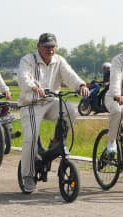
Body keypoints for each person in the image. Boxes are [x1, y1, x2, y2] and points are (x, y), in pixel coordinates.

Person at [16, 33, 89, 193]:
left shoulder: (59, 60)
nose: (50, 50)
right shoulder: (28, 60)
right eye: (47, 46)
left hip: (51, 101)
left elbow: (70, 75)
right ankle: (28, 175)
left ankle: (57, 142)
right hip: (31, 104)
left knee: (70, 110)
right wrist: (34, 87)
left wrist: (81, 85)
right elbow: (23, 77)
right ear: (39, 46)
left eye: (53, 46)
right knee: (31, 138)